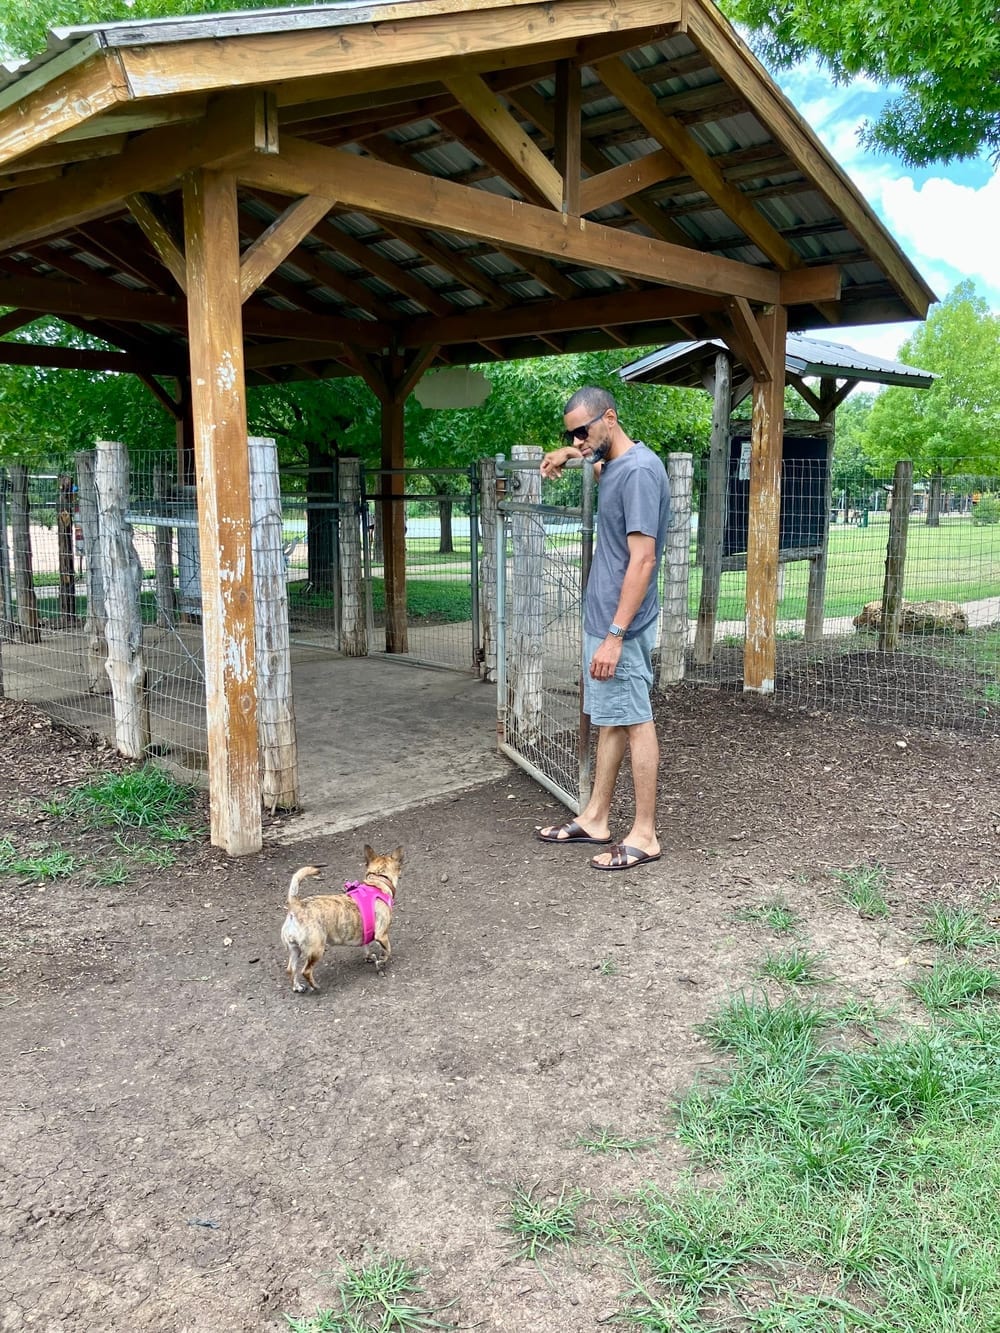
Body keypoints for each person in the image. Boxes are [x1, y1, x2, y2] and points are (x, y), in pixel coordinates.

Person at [536, 386, 671, 871]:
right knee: (611, 717)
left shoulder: (637, 472)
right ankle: (595, 817)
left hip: (623, 627)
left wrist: (616, 635)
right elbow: (595, 460)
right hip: (606, 621)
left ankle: (645, 834)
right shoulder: (612, 465)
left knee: (636, 720)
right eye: (570, 431)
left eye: (583, 429)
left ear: (609, 418)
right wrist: (570, 452)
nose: (577, 437)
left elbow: (644, 559)